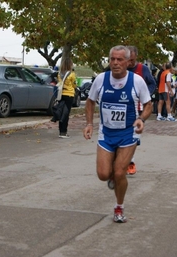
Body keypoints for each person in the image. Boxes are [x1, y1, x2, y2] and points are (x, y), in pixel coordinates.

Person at [83, 45, 152, 223]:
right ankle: (112, 171)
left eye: (119, 59)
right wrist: (89, 124)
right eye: (112, 59)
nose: (115, 63)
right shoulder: (101, 79)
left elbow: (148, 105)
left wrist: (141, 120)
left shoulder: (137, 81)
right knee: (103, 174)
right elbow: (90, 101)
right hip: (106, 133)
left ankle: (119, 207)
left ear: (128, 62)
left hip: (129, 133)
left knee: (120, 173)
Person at [126, 45, 156, 175]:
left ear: (136, 57)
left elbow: (152, 83)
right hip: (121, 107)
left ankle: (130, 161)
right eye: (127, 59)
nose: (129, 63)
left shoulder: (142, 69)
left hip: (137, 108)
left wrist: (145, 95)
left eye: (132, 60)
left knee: (133, 136)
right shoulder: (119, 68)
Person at [56, 58, 77, 138]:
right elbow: (74, 84)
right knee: (66, 113)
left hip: (61, 94)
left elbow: (59, 82)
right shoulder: (72, 74)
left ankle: (60, 131)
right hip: (69, 94)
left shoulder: (59, 73)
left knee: (61, 112)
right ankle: (64, 132)